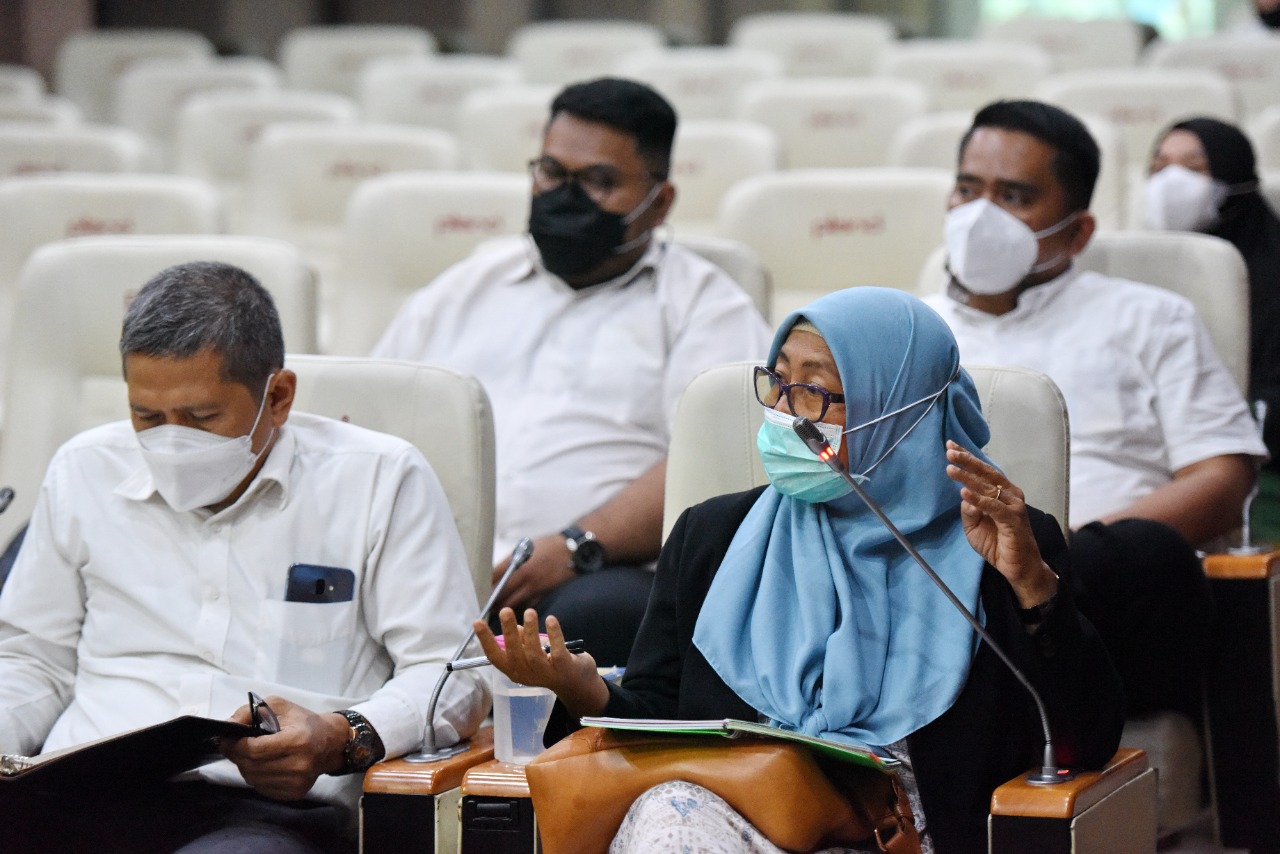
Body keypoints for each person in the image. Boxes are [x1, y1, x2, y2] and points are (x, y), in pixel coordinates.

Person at [477, 288, 1125, 854]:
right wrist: (581, 689)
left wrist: (1035, 585)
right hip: (729, 820)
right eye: (778, 382)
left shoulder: (1001, 540)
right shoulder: (713, 535)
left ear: (901, 410)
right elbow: (660, 721)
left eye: (816, 391)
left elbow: (1080, 744)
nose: (787, 412)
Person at [0, 262, 487, 854]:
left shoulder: (378, 480)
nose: (170, 441)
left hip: (262, 811)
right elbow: (35, 662)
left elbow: (451, 673)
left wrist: (342, 736)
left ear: (277, 398)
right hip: (74, 792)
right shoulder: (85, 469)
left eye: (201, 418)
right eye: (146, 417)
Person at [373, 77, 772, 666]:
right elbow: (373, 423)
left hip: (591, 574)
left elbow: (719, 462)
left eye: (599, 182)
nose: (565, 197)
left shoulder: (705, 308)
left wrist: (574, 546)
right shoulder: (460, 291)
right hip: (432, 560)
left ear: (659, 202)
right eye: (553, 174)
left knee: (597, 617)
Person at [922, 100, 1268, 726]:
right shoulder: (907, 329)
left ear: (1078, 231)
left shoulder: (1151, 317)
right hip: (938, 574)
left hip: (1093, 583)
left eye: (1015, 196)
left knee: (1143, 557)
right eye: (968, 189)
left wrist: (1055, 551)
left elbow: (1222, 478)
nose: (979, 216)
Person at [1145, 116, 1280, 542]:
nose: (1171, 181)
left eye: (1193, 168)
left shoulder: (1272, 271)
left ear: (1233, 178)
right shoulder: (1131, 269)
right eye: (1160, 165)